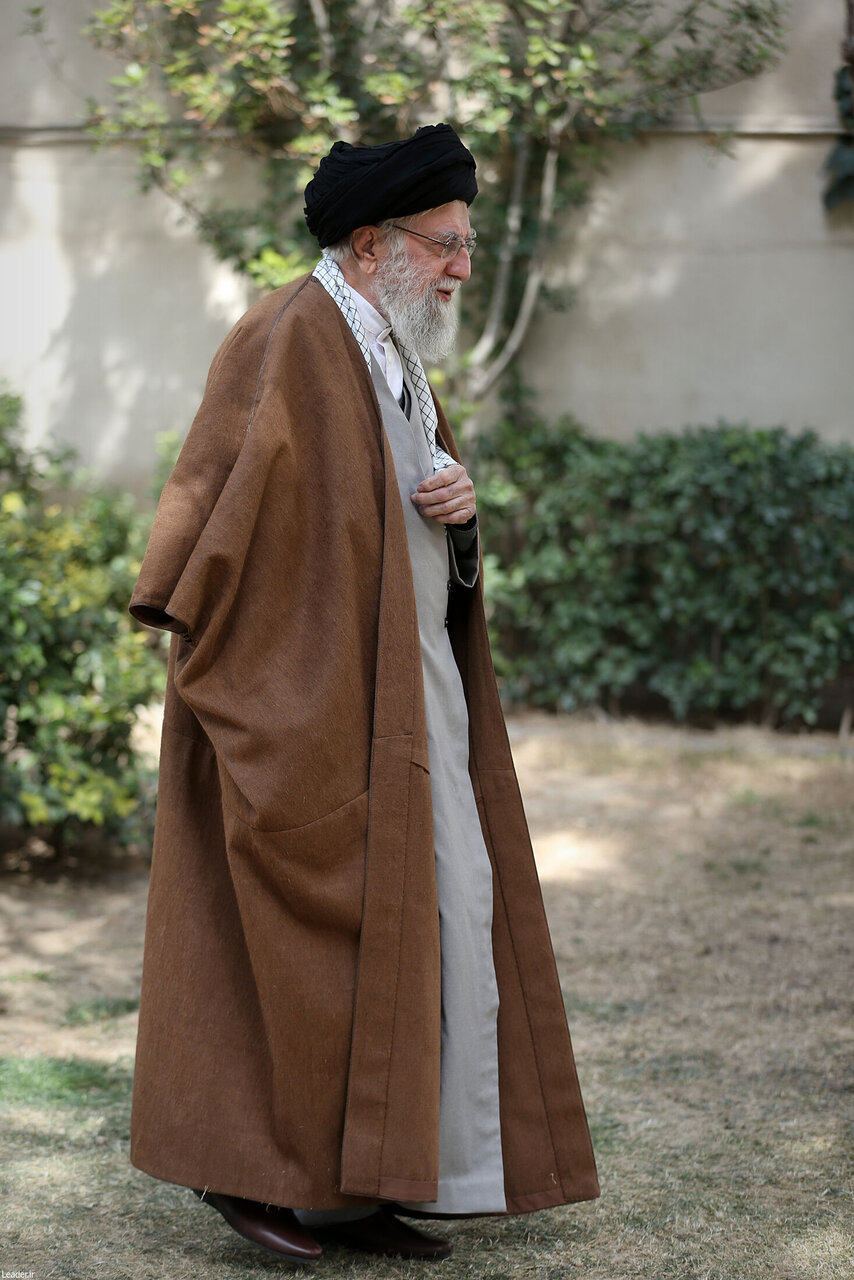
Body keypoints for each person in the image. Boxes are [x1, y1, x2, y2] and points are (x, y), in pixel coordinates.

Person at [128, 123, 599, 1264]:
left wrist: (461, 518)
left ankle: (364, 1184)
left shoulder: (389, 352)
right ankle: (247, 1173)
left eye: (467, 244)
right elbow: (215, 534)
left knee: (442, 914)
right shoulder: (287, 334)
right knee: (293, 939)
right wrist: (284, 714)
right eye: (443, 244)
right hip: (308, 708)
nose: (461, 267)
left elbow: (390, 521)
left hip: (411, 698)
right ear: (369, 241)